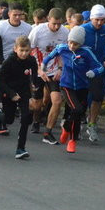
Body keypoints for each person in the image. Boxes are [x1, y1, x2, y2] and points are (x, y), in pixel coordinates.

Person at [41, 26, 104, 154]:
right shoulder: (62, 48)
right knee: (77, 109)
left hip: (82, 87)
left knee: (78, 114)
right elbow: (49, 56)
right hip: (66, 85)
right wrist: (43, 65)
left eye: (75, 44)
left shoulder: (86, 52)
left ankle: (67, 128)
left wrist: (93, 72)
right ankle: (72, 141)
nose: (71, 46)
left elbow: (100, 67)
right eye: (70, 42)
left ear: (80, 43)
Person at [28, 8, 69, 144]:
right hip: (38, 69)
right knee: (37, 104)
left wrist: (61, 69)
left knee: (56, 101)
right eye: (53, 24)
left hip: (54, 70)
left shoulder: (65, 32)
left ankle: (48, 132)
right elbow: (30, 50)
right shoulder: (38, 31)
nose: (56, 27)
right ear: (48, 20)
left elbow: (65, 52)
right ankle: (35, 119)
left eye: (59, 24)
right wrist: (38, 69)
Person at [0, 36, 37, 159]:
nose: (24, 54)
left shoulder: (31, 60)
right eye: (21, 50)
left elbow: (34, 76)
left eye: (27, 51)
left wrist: (34, 86)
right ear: (15, 49)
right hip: (9, 91)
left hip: (24, 92)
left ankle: (20, 148)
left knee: (25, 118)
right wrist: (11, 94)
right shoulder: (9, 62)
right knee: (9, 120)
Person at [81, 4, 105, 143]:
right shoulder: (83, 29)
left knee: (97, 97)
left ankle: (92, 124)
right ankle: (76, 122)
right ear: (91, 19)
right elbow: (74, 45)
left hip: (98, 67)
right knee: (82, 97)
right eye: (97, 20)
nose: (99, 22)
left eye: (102, 19)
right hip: (83, 67)